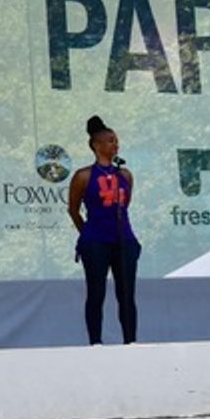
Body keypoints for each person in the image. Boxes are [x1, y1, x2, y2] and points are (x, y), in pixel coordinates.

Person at [68, 115, 141, 345]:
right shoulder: (84, 176)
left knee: (127, 294)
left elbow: (124, 205)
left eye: (116, 140)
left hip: (124, 239)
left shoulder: (125, 175)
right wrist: (87, 233)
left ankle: (130, 341)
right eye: (110, 140)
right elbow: (73, 209)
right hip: (96, 240)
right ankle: (96, 342)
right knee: (96, 292)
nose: (115, 144)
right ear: (96, 145)